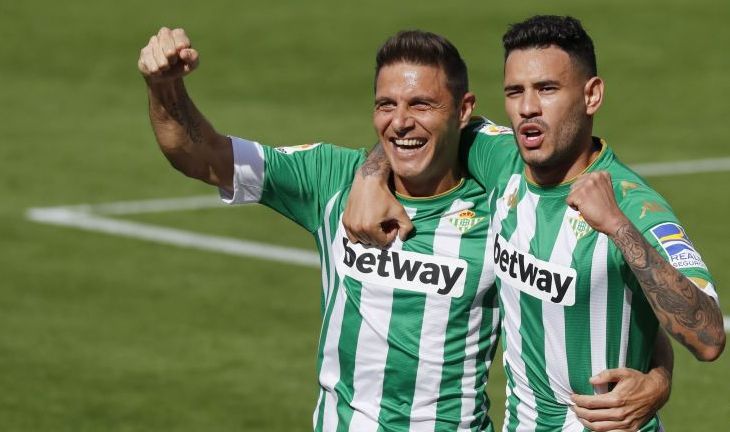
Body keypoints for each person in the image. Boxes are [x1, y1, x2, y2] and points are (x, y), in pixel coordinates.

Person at [138, 27, 673, 431]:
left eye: (421, 104)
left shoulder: (506, 204)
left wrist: (657, 377)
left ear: (464, 111)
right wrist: (164, 87)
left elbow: (593, 296)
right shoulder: (331, 180)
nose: (401, 120)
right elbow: (200, 155)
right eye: (386, 105)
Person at [342, 15, 725, 431]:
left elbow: (708, 339)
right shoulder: (499, 158)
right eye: (514, 92)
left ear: (591, 95)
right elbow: (421, 124)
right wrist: (369, 176)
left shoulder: (634, 206)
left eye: (547, 89)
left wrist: (619, 228)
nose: (527, 108)